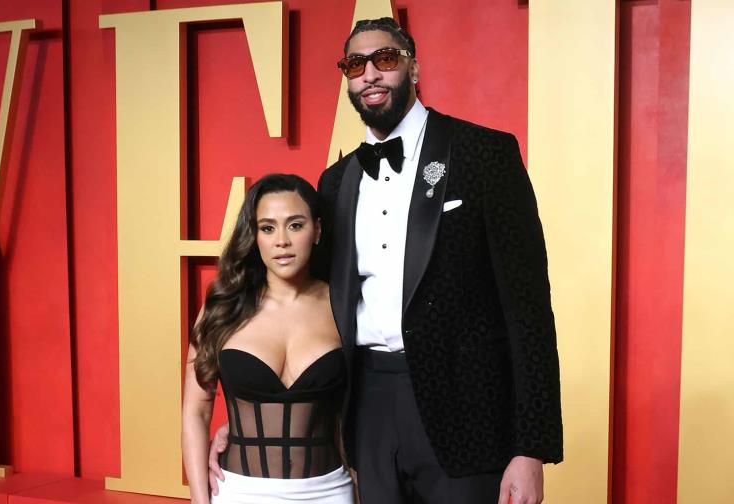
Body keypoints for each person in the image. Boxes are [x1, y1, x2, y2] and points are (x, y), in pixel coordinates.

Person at [211, 17, 563, 504]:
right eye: (356, 65)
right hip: (368, 408)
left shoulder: (484, 154)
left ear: (413, 69)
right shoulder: (335, 182)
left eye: (385, 59)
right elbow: (309, 303)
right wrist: (255, 413)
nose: (371, 74)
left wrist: (531, 448)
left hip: (467, 413)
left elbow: (529, 309)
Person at [182, 174, 353, 504]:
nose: (282, 241)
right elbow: (196, 410)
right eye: (268, 228)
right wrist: (200, 501)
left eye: (295, 225)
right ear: (254, 236)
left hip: (330, 491)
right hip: (239, 491)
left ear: (317, 230)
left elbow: (365, 404)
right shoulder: (223, 308)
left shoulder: (344, 306)